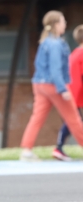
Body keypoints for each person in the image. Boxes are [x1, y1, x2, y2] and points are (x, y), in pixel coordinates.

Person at [20, 10, 83, 161]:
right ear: (56, 24)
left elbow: (38, 64)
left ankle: (26, 150)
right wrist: (62, 88)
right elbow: (56, 69)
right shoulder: (56, 44)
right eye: (63, 22)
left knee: (37, 118)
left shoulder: (45, 42)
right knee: (74, 118)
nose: (65, 25)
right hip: (54, 85)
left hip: (39, 84)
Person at [52, 24, 83, 161]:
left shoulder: (75, 53)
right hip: (76, 93)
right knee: (74, 121)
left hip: (72, 93)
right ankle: (58, 148)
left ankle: (59, 147)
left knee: (73, 121)